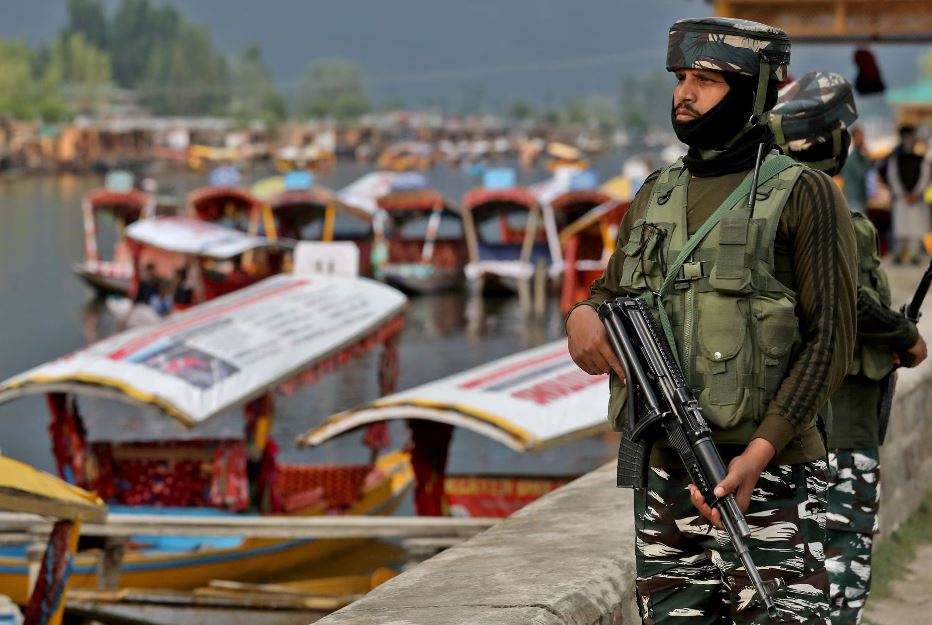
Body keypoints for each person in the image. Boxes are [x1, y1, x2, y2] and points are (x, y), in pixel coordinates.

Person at [566, 18, 857, 624]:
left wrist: (757, 454)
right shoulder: (655, 192)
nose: (685, 94)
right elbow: (612, 292)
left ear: (754, 91)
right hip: (669, 479)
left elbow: (831, 340)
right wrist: (581, 316)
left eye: (706, 80)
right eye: (680, 78)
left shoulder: (804, 193)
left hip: (773, 476)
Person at [772, 72, 929, 625]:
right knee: (842, 569)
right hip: (842, 422)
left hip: (786, 425)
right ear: (829, 140)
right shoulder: (835, 216)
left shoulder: (767, 209)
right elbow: (851, 304)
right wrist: (906, 336)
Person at [887, 126, 931, 264]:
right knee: (901, 229)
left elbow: (925, 177)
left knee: (915, 229)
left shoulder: (922, 159)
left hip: (916, 200)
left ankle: (914, 255)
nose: (908, 140)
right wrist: (903, 194)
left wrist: (915, 193)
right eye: (906, 137)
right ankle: (899, 254)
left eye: (910, 136)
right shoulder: (894, 159)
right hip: (902, 199)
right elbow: (893, 177)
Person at [842, 127, 873, 215]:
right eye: (860, 136)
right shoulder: (854, 157)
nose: (862, 139)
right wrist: (868, 158)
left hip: (859, 198)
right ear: (854, 138)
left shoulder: (859, 155)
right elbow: (861, 172)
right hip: (854, 199)